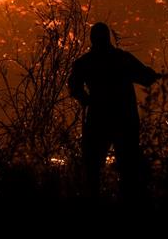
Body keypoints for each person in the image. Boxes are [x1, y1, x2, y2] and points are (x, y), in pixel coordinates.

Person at [68, 22, 160, 199]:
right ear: (108, 38)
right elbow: (145, 78)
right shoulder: (122, 58)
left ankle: (93, 203)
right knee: (128, 168)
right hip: (125, 120)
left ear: (92, 39)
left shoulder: (85, 62)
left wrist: (85, 99)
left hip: (98, 120)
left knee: (93, 167)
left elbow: (74, 86)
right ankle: (130, 203)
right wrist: (151, 74)